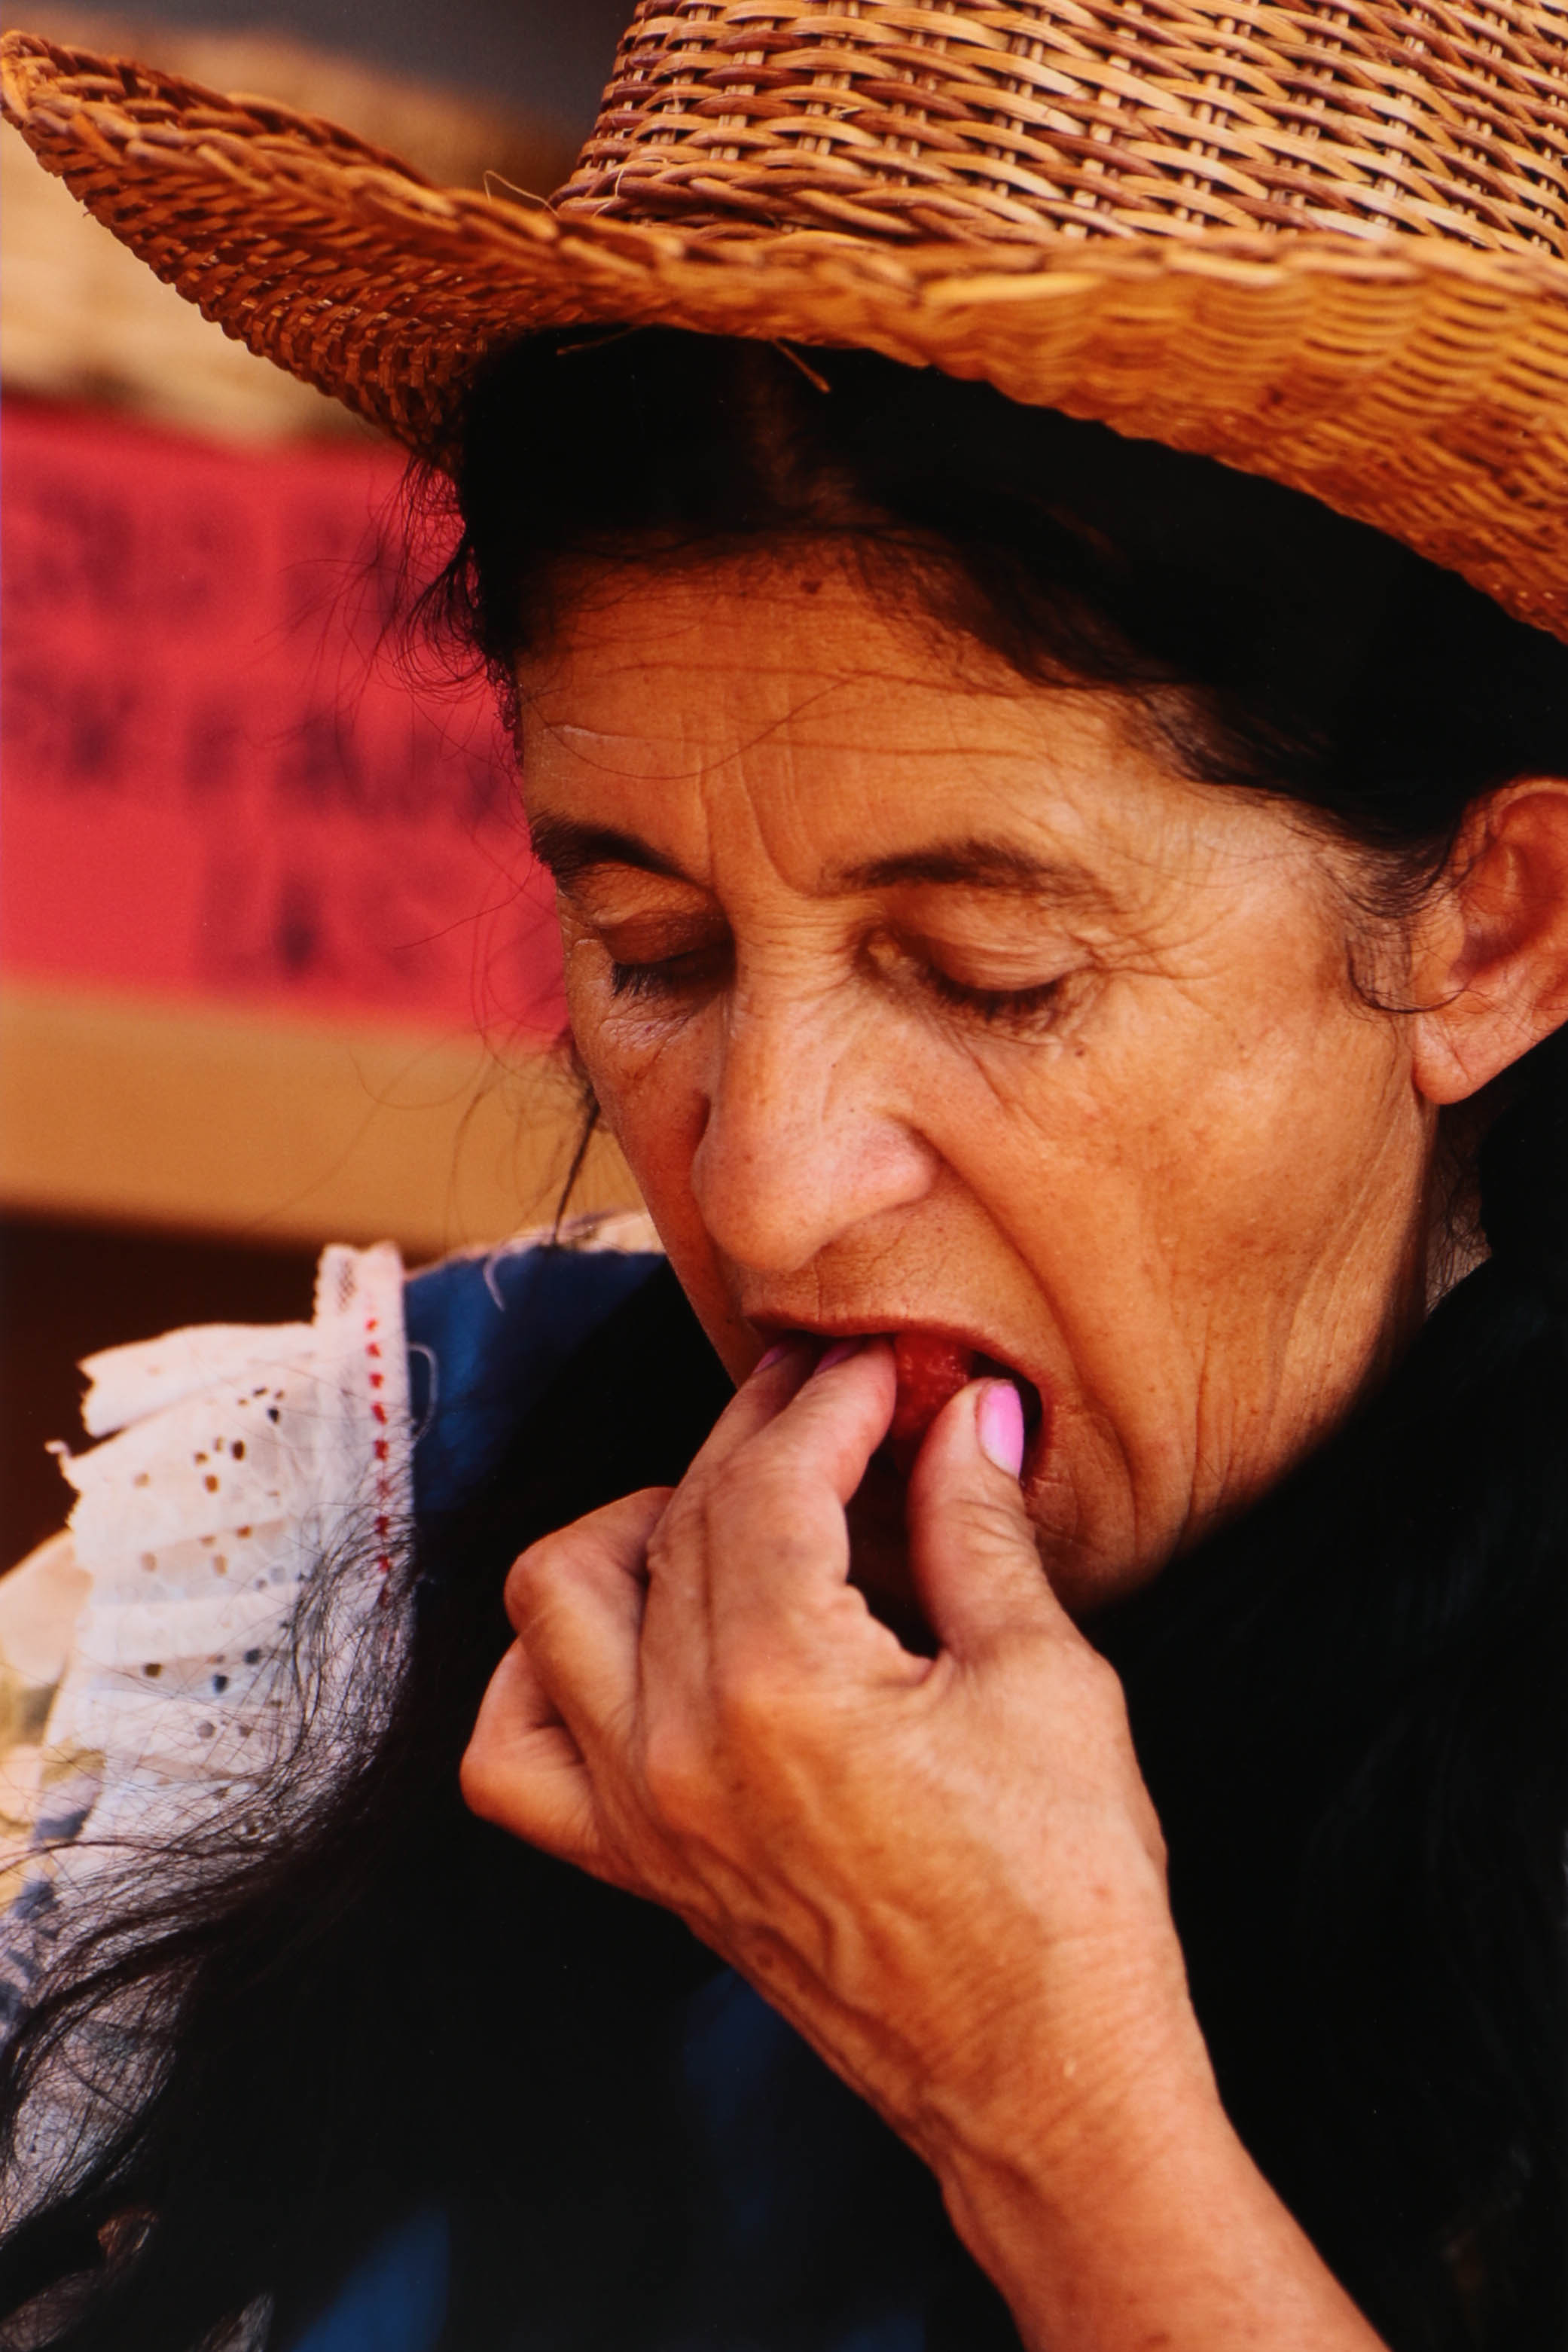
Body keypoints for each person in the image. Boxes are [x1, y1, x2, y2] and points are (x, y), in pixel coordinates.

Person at [0, 9, 1565, 2351]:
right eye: (654, 953)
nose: (767, 1192)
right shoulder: (293, 1566)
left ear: (1493, 932)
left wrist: (1052, 2110)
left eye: (985, 974)